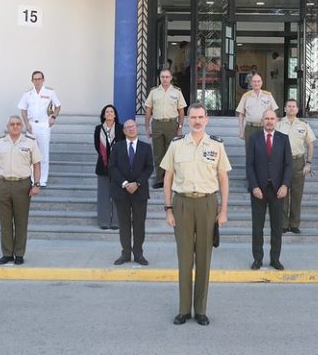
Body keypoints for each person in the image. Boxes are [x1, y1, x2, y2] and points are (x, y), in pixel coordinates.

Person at [161, 103, 230, 326]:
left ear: (207, 119)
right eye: (193, 117)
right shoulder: (177, 145)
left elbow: (223, 180)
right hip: (182, 204)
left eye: (201, 117)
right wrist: (168, 208)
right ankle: (183, 310)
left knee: (203, 258)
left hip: (207, 203)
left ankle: (200, 310)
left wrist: (223, 210)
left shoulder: (216, 146)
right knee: (184, 258)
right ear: (187, 120)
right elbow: (168, 178)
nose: (197, 121)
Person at [0, 116, 41, 265]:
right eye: (12, 124)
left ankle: (19, 254)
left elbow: (37, 164)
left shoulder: (30, 142)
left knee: (21, 221)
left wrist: (36, 184)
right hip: (3, 184)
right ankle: (7, 253)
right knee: (5, 221)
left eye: (18, 124)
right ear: (8, 126)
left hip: (22, 185)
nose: (15, 126)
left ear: (22, 126)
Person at [246, 109, 292, 270]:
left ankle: (275, 259)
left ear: (277, 120)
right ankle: (257, 259)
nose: (270, 121)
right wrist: (254, 186)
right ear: (262, 120)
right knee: (257, 227)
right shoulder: (253, 139)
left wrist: (285, 185)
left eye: (272, 118)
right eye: (267, 118)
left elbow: (288, 165)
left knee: (276, 227)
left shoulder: (284, 139)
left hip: (278, 190)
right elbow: (249, 165)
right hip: (258, 191)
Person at [108, 119, 154, 266]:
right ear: (124, 131)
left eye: (133, 126)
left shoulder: (146, 147)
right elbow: (112, 168)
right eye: (127, 127)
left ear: (137, 128)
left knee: (139, 224)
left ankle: (138, 253)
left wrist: (138, 183)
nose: (131, 129)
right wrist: (125, 183)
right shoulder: (117, 147)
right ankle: (125, 253)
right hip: (121, 191)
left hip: (140, 192)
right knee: (124, 223)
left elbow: (149, 168)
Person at [276, 98, 316, 234]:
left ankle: (294, 224)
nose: (292, 108)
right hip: (282, 162)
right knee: (283, 193)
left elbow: (310, 144)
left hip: (298, 161)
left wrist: (308, 163)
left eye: (294, 106)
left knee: (297, 194)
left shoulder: (304, 125)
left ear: (297, 109)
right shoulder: (278, 124)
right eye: (289, 106)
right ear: (285, 109)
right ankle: (283, 224)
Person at [144, 68, 186, 189]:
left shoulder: (177, 92)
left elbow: (181, 111)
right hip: (157, 124)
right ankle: (159, 179)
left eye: (167, 77)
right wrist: (147, 127)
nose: (165, 79)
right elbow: (148, 110)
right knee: (158, 153)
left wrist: (180, 127)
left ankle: (171, 179)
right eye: (162, 77)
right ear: (160, 78)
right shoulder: (154, 92)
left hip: (171, 124)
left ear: (171, 78)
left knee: (171, 152)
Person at [18, 70, 61, 187]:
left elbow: (58, 106)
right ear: (32, 80)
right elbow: (23, 109)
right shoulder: (27, 94)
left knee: (43, 152)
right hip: (31, 125)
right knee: (30, 151)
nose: (37, 81)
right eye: (35, 79)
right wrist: (26, 123)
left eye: (39, 79)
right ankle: (32, 178)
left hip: (44, 125)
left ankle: (42, 179)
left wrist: (53, 117)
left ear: (43, 80)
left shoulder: (50, 92)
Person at [93, 104, 124, 230]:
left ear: (115, 115)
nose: (109, 113)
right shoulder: (98, 129)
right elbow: (97, 145)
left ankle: (116, 221)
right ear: (103, 115)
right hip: (103, 165)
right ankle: (104, 221)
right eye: (107, 111)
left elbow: (123, 146)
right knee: (103, 195)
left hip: (118, 166)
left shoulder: (121, 128)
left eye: (112, 111)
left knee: (117, 195)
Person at [236, 73, 279, 151]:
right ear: (251, 83)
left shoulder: (268, 95)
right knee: (250, 153)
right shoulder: (246, 96)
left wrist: (274, 128)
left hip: (265, 128)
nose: (256, 83)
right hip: (250, 128)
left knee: (265, 153)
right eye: (254, 81)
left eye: (258, 81)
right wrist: (241, 131)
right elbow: (241, 114)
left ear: (261, 83)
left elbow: (274, 113)